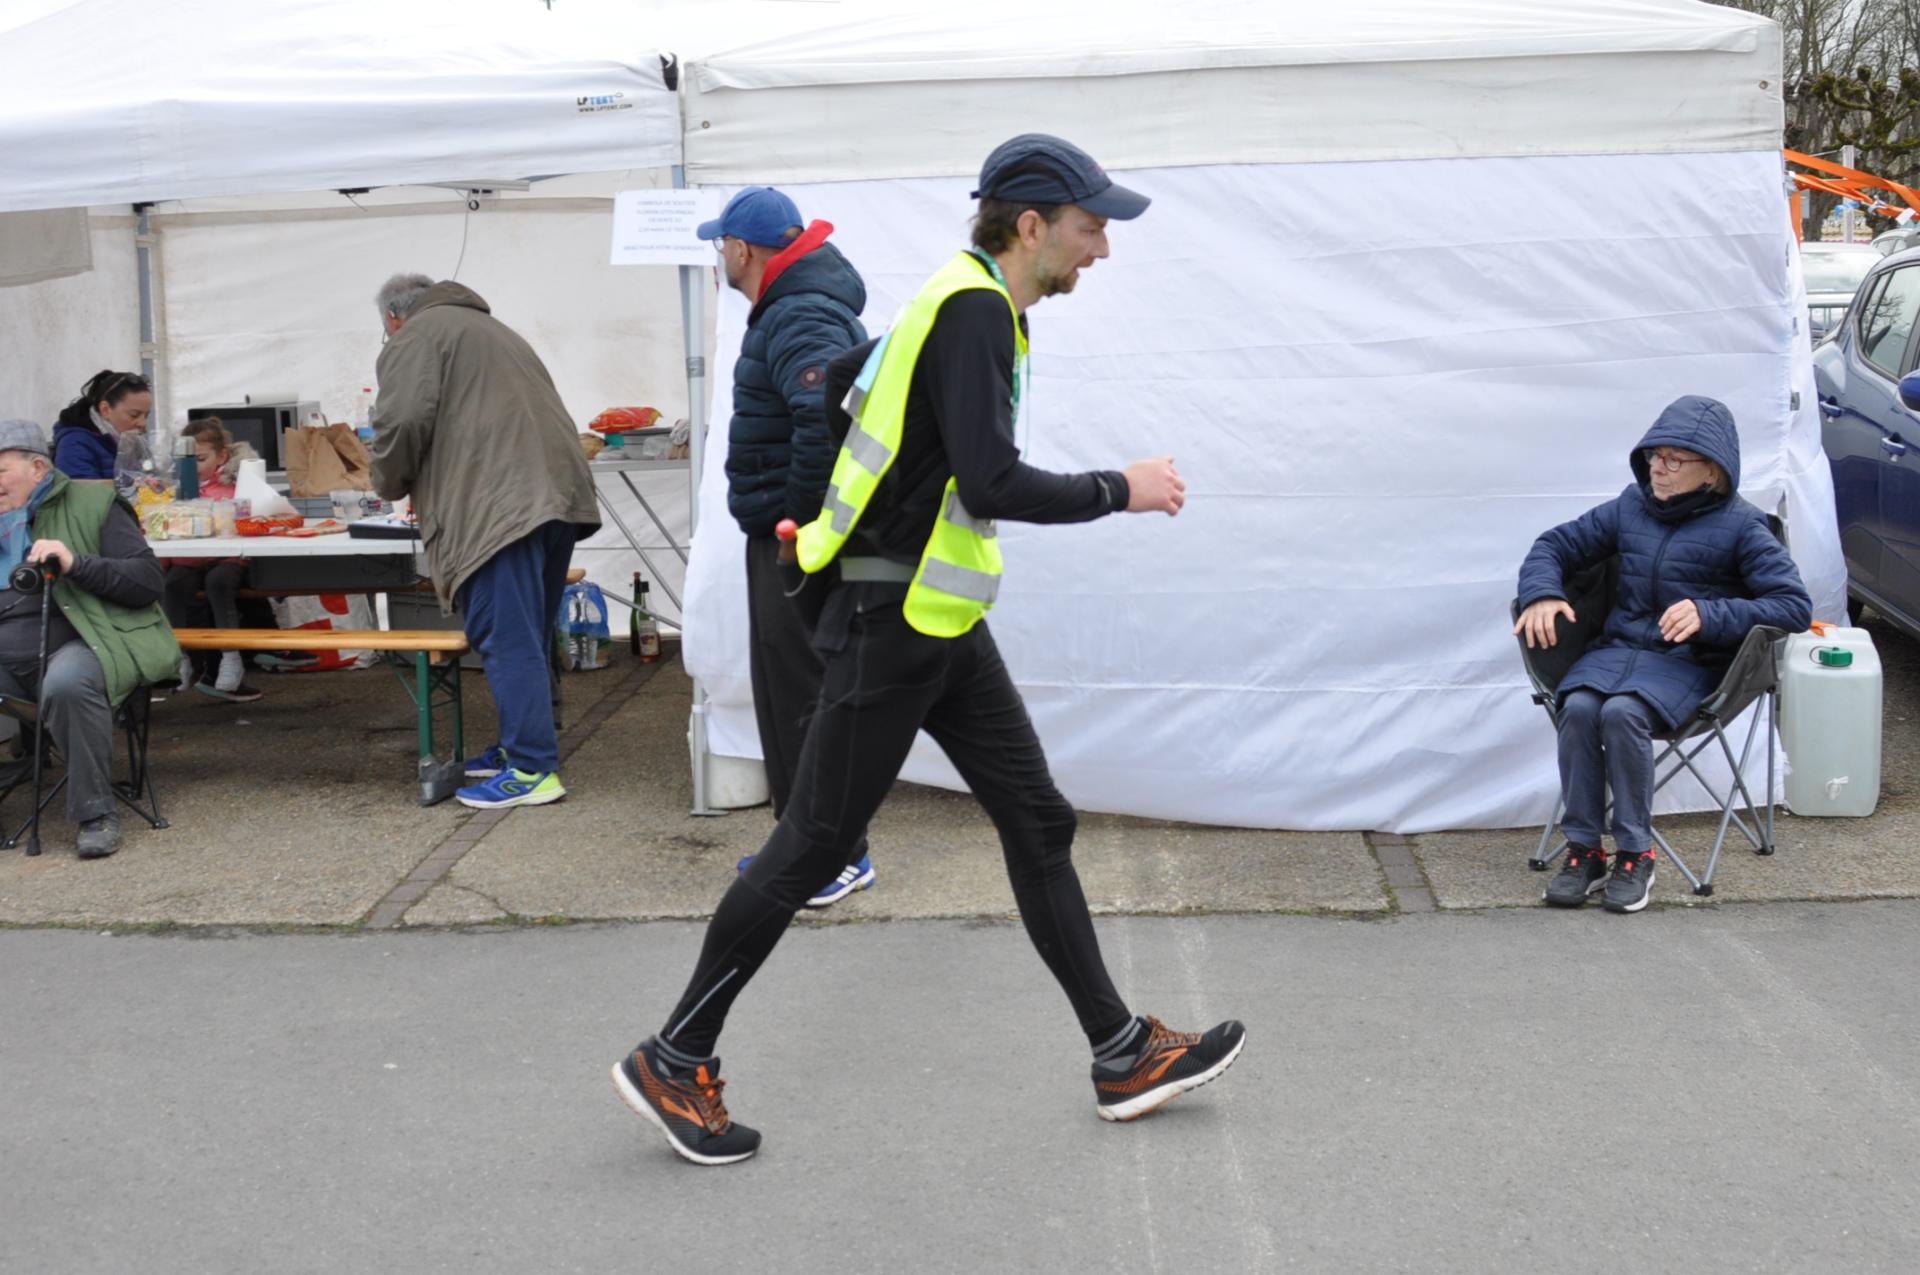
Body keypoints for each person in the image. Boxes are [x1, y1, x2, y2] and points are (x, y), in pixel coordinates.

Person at [611, 135, 1245, 1166]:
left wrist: (829, 518)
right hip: (893, 620)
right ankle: (675, 1056)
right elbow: (991, 480)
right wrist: (1118, 489)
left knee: (1037, 818)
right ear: (1032, 225)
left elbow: (847, 387)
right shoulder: (973, 310)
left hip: (932, 617)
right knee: (814, 844)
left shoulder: (969, 301)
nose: (1102, 249)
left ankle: (1122, 1051)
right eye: (1091, 228)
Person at [1515, 395, 1812, 913]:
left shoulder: (1744, 527)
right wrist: (1542, 592)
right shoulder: (1629, 506)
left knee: (1622, 713)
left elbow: (1793, 606)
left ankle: (1636, 854)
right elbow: (1552, 545)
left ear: (1712, 471)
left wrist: (1709, 614)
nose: (1659, 468)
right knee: (1578, 707)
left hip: (1692, 665)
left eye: (1676, 460)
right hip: (1617, 651)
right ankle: (1585, 851)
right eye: (1655, 455)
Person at [697, 186, 877, 908]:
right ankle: (806, 846)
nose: (719, 257)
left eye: (721, 246)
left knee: (804, 693)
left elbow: (823, 416)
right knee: (790, 690)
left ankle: (833, 856)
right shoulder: (798, 304)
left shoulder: (800, 310)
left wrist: (799, 524)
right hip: (790, 535)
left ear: (742, 249)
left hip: (796, 539)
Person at [367, 273, 600, 810]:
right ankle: (525, 746)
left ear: (393, 318)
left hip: (498, 503)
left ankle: (531, 768)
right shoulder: (495, 331)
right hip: (555, 497)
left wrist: (386, 482)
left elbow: (402, 420)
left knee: (506, 636)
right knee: (529, 633)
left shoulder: (417, 336)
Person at [0, 420, 181, 859]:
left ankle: (96, 813)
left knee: (67, 683)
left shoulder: (93, 503)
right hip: (9, 655)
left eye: (0, 471)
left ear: (38, 468)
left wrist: (75, 563)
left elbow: (147, 581)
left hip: (89, 639)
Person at [160, 417, 262, 702]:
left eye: (200, 459)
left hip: (227, 557)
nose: (192, 466)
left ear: (222, 456)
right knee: (172, 585)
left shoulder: (234, 485)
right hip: (189, 559)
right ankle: (178, 655)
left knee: (218, 584)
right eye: (186, 460)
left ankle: (231, 656)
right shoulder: (176, 489)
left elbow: (249, 518)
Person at [51, 370, 153, 482]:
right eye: (134, 415)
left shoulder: (132, 443)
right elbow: (82, 491)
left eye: (146, 416)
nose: (143, 423)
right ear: (105, 410)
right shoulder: (75, 444)